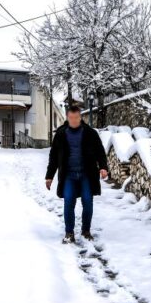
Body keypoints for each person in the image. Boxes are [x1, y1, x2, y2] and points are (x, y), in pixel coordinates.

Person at [45, 104, 109, 243]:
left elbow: (100, 152)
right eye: (71, 118)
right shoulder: (61, 134)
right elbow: (54, 156)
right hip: (69, 176)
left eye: (76, 118)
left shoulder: (90, 133)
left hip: (86, 175)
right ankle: (69, 233)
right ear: (67, 118)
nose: (74, 120)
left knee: (88, 202)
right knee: (68, 202)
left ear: (80, 117)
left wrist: (103, 167)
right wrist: (49, 176)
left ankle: (86, 231)